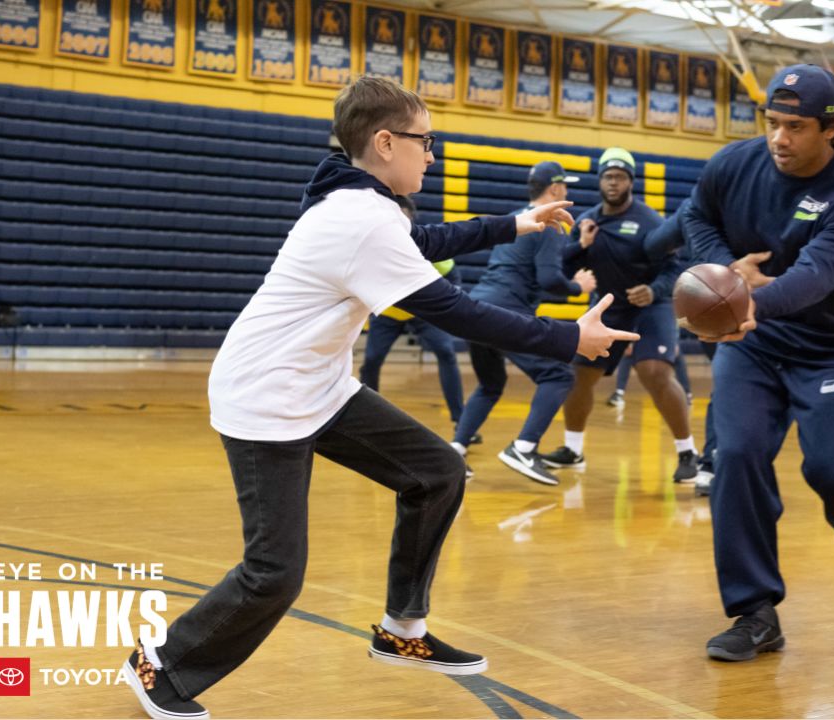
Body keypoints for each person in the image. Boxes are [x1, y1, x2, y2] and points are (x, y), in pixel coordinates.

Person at [120, 75, 639, 720]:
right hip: (266, 398)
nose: (433, 153)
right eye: (426, 141)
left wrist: (513, 224)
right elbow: (455, 309)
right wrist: (568, 338)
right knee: (274, 571)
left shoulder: (364, 203)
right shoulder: (358, 216)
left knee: (437, 471)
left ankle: (403, 630)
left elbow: (423, 246)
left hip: (319, 387)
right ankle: (161, 663)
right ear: (386, 142)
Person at [681, 64, 834, 662]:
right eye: (772, 123)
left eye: (797, 126)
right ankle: (755, 612)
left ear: (831, 128)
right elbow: (696, 218)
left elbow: (816, 276)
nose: (779, 138)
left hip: (830, 348)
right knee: (735, 456)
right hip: (752, 347)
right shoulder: (735, 164)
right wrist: (727, 269)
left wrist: (744, 298)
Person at [541, 148, 699, 482]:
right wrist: (581, 245)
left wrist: (654, 290)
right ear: (600, 181)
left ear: (631, 181)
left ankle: (688, 453)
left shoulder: (651, 221)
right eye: (608, 177)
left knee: (653, 371)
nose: (613, 183)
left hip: (649, 306)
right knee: (579, 373)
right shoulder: (586, 221)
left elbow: (674, 269)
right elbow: (563, 268)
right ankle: (573, 449)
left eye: (620, 177)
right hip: (609, 306)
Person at [449, 161, 597, 486]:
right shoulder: (553, 222)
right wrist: (578, 288)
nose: (567, 192)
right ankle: (524, 447)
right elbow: (549, 277)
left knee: (490, 385)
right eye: (565, 187)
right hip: (507, 310)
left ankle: (455, 447)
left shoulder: (520, 218)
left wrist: (580, 247)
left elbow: (538, 259)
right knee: (557, 374)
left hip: (477, 306)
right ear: (556, 189)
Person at [360, 196, 467, 431]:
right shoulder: (374, 245)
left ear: (410, 220)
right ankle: (368, 418)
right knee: (371, 360)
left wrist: (446, 305)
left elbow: (452, 277)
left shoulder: (425, 243)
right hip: (389, 311)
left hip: (422, 312)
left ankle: (461, 420)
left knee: (446, 352)